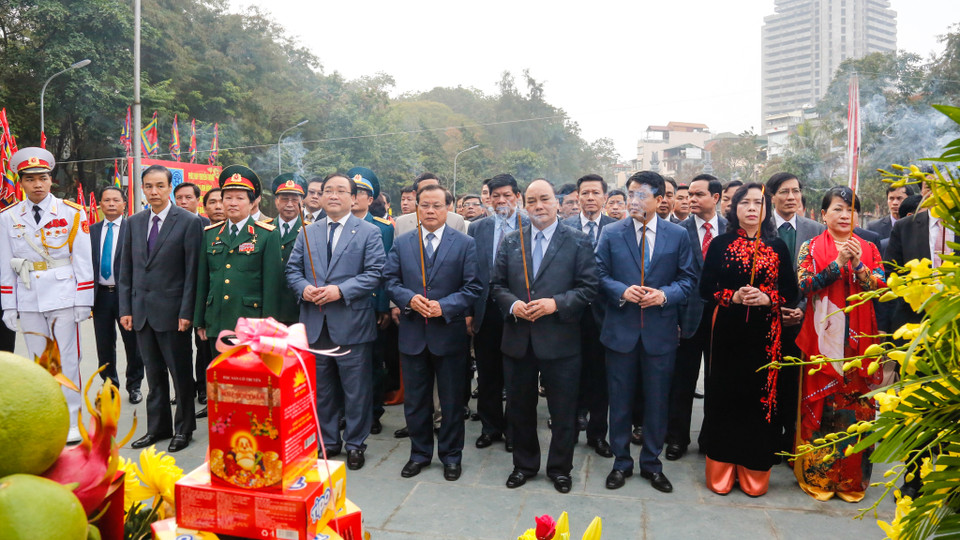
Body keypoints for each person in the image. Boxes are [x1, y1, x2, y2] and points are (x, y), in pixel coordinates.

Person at [492, 179, 597, 493]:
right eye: (533, 201)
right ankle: (524, 465)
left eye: (545, 200)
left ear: (558, 203)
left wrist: (556, 303)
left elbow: (589, 288)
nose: (539, 206)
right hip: (518, 340)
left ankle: (560, 468)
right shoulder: (511, 241)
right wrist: (512, 305)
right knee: (520, 409)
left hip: (561, 340)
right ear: (525, 205)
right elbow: (496, 286)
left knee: (563, 411)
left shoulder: (577, 241)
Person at [596, 171, 697, 493]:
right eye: (631, 194)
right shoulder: (612, 233)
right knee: (620, 402)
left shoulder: (677, 235)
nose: (634, 200)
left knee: (657, 403)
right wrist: (622, 291)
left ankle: (652, 463)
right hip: (620, 332)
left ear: (659, 199)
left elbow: (688, 279)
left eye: (642, 195)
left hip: (660, 333)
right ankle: (621, 462)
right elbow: (597, 273)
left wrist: (664, 295)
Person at [698, 183, 798, 497]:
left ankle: (754, 470)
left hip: (765, 336)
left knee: (760, 400)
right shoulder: (720, 244)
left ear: (765, 208)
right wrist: (733, 296)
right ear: (734, 207)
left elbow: (791, 292)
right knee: (724, 395)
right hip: (727, 331)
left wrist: (769, 298)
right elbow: (705, 289)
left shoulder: (778, 246)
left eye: (758, 203)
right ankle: (722, 469)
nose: (752, 208)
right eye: (746, 203)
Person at [285, 172, 385, 470]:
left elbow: (375, 273)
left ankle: (355, 443)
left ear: (353, 198)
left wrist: (340, 291)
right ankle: (327, 441)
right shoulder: (307, 232)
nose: (332, 195)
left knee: (356, 391)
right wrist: (304, 289)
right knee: (323, 390)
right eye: (328, 190)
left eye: (341, 191)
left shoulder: (368, 232)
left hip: (351, 324)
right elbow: (292, 270)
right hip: (315, 323)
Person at [384, 184, 482, 482]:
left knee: (452, 401)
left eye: (436, 205)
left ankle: (451, 456)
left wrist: (445, 306)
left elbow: (473, 287)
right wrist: (407, 299)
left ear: (448, 208)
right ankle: (419, 453)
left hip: (448, 334)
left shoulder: (464, 243)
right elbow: (390, 280)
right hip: (413, 334)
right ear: (416, 209)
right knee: (416, 400)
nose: (429, 211)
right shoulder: (403, 243)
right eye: (424, 205)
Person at [794, 186, 884, 502]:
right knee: (823, 406)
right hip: (823, 340)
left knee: (856, 411)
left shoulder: (870, 248)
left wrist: (859, 265)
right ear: (823, 214)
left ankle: (851, 480)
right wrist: (835, 265)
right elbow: (804, 284)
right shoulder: (810, 246)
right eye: (837, 209)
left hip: (859, 344)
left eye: (850, 210)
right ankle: (819, 476)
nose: (845, 215)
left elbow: (880, 288)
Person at [0, 147, 93, 443]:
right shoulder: (8, 217)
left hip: (64, 295)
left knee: (67, 360)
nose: (37, 184)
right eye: (29, 179)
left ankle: (72, 419)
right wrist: (8, 306)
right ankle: (46, 418)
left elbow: (82, 260)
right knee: (37, 362)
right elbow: (6, 265)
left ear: (51, 180)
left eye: (42, 177)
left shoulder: (71, 212)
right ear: (21, 183)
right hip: (28, 297)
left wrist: (84, 299)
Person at [119, 164, 203, 452]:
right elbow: (126, 270)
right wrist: (125, 308)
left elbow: (193, 272)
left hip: (174, 314)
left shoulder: (189, 222)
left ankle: (184, 429)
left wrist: (187, 313)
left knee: (180, 376)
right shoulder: (134, 222)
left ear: (170, 188)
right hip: (141, 312)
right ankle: (157, 428)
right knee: (154, 377)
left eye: (160, 186)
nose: (154, 191)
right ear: (142, 188)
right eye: (148, 186)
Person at [666, 174, 727, 460]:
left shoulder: (732, 230)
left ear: (715, 197)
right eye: (689, 195)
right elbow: (672, 276)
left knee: (718, 382)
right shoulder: (677, 231)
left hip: (723, 318)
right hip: (686, 318)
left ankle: (710, 439)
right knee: (682, 382)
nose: (691, 200)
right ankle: (677, 439)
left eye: (698, 194)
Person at [466, 173, 527, 451]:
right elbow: (469, 273)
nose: (501, 200)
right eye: (495, 196)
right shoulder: (477, 228)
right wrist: (469, 311)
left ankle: (516, 430)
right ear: (487, 199)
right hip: (485, 310)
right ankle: (490, 427)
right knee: (488, 373)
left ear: (517, 196)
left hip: (518, 310)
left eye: (507, 195)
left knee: (516, 374)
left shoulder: (531, 225)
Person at [767, 172, 824, 455]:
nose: (791, 197)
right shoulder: (761, 228)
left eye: (796, 191)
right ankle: (768, 435)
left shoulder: (814, 230)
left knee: (795, 383)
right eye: (784, 192)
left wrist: (801, 309)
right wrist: (775, 307)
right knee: (769, 380)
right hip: (766, 318)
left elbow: (821, 274)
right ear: (772, 195)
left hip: (803, 319)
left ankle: (791, 438)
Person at [194, 165, 281, 352]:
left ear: (252, 203)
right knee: (218, 377)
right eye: (228, 198)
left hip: (251, 323)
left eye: (240, 198)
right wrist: (200, 320)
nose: (232, 203)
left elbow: (272, 287)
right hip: (216, 321)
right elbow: (203, 281)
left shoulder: (267, 235)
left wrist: (268, 326)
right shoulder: (211, 234)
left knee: (248, 378)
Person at [562, 174, 614, 458]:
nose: (590, 197)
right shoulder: (564, 227)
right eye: (585, 193)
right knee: (569, 375)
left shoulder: (617, 229)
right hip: (571, 314)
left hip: (606, 314)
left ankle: (598, 434)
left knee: (601, 377)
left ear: (604, 197)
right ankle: (569, 429)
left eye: (595, 193)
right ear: (578, 196)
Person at [347, 166, 395, 435]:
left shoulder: (383, 228)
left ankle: (374, 412)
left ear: (370, 198)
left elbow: (386, 270)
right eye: (350, 192)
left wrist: (383, 306)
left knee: (373, 362)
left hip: (371, 307)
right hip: (342, 305)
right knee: (344, 362)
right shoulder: (334, 224)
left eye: (361, 192)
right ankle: (347, 412)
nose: (354, 197)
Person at [91, 186, 143, 405]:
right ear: (100, 205)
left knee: (133, 344)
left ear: (124, 204)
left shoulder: (133, 229)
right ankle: (109, 386)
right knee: (104, 344)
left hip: (126, 297)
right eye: (106, 200)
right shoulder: (90, 230)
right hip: (100, 296)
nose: (111, 204)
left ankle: (135, 386)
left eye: (116, 200)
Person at [175, 180, 211, 405]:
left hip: (200, 296)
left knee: (203, 347)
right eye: (179, 198)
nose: (184, 202)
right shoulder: (170, 224)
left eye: (188, 197)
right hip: (175, 298)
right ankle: (183, 390)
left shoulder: (206, 225)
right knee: (180, 350)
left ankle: (202, 388)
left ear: (198, 200)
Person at [272, 173, 307, 326]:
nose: (290, 204)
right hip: (269, 306)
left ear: (302, 203)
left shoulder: (310, 231)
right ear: (276, 201)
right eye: (285, 198)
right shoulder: (264, 229)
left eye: (295, 199)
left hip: (297, 307)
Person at [395, 174, 467, 235]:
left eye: (434, 189)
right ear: (415, 194)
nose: (430, 193)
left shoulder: (455, 221)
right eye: (425, 190)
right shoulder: (401, 223)